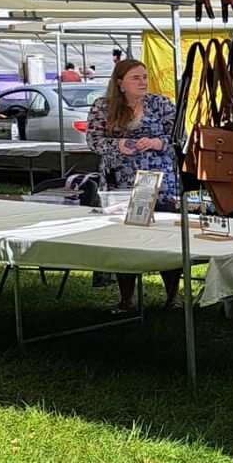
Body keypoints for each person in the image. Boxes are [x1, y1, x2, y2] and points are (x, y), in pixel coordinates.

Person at [86, 59, 183, 313]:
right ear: (120, 83)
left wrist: (155, 143)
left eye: (144, 77)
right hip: (120, 181)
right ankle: (126, 298)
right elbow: (93, 140)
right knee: (123, 237)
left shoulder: (160, 103)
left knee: (164, 235)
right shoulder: (102, 106)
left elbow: (179, 138)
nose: (143, 82)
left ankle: (173, 296)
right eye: (136, 78)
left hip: (156, 180)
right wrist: (115, 145)